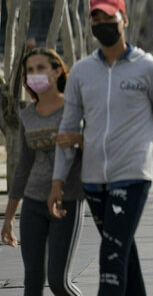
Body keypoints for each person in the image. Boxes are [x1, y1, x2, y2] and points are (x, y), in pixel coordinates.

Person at [50, 0, 153, 296]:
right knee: (123, 252)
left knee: (110, 256)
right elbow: (68, 128)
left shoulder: (150, 69)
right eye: (96, 17)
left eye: (108, 16)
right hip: (94, 180)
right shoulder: (82, 72)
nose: (102, 22)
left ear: (124, 19)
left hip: (133, 174)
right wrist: (58, 180)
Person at [2, 48, 84, 296]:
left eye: (40, 68)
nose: (34, 75)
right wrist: (9, 218)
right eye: (29, 70)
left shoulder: (74, 108)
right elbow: (23, 168)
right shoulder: (28, 115)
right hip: (33, 204)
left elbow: (97, 146)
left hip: (66, 201)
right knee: (32, 283)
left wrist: (80, 138)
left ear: (57, 71)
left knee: (59, 282)